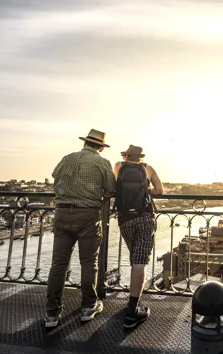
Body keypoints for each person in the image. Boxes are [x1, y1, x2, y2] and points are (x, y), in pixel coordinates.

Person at [45, 129, 116, 328]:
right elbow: (111, 190)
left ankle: (52, 313)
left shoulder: (67, 159)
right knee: (88, 262)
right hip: (88, 215)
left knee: (58, 264)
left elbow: (55, 179)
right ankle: (88, 306)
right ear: (101, 147)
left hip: (62, 213)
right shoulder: (102, 163)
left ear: (84, 143)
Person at [113, 144, 163, 329]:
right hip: (145, 218)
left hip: (125, 219)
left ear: (126, 156)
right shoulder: (148, 169)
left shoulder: (119, 166)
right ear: (140, 157)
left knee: (134, 258)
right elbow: (160, 190)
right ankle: (132, 309)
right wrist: (145, 191)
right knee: (140, 262)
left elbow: (113, 188)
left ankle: (132, 304)